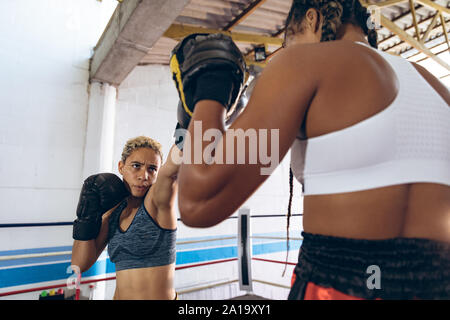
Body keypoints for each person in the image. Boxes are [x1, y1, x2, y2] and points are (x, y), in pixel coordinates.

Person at [170, 0, 450, 299]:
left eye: (289, 41)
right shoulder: (436, 87)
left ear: (312, 20)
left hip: (340, 286)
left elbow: (198, 204)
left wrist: (210, 90)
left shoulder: (304, 63)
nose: (289, 52)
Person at [71, 136, 181, 300]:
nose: (144, 176)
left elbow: (174, 165)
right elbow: (80, 264)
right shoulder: (113, 214)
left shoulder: (157, 204)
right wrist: (87, 216)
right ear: (121, 167)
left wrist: (190, 123)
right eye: (136, 166)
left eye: (152, 169)